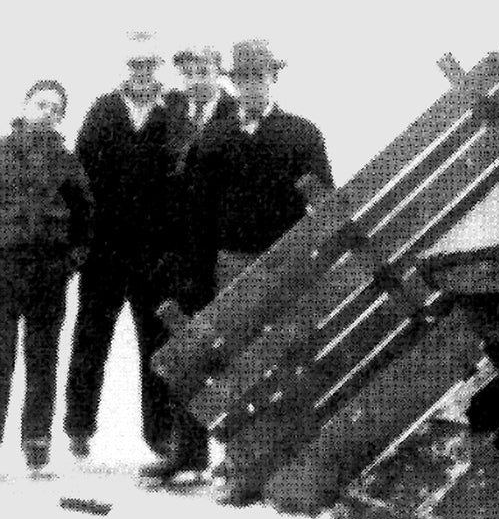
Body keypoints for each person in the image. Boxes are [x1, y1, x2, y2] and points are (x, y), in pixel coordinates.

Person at [62, 31, 195, 471]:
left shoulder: (174, 112)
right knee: (90, 338)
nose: (142, 74)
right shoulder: (102, 111)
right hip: (104, 253)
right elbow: (78, 182)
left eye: (149, 66)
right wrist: (81, 243)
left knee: (155, 343)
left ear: (158, 70)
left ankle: (159, 435)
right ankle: (79, 426)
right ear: (125, 70)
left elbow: (183, 178)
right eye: (135, 66)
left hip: (153, 256)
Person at [186, 38, 332, 293]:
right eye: (244, 78)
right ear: (234, 82)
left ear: (273, 77)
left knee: (293, 332)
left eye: (259, 76)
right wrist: (200, 275)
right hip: (233, 265)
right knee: (239, 332)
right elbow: (200, 211)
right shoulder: (213, 137)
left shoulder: (303, 133)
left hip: (290, 260)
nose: (252, 86)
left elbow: (325, 202)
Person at [0, 80, 92, 472]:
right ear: (25, 105)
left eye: (56, 109)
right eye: (42, 104)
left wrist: (68, 264)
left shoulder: (67, 161)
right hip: (4, 271)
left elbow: (85, 220)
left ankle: (37, 439)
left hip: (48, 275)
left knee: (42, 360)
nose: (48, 113)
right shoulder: (2, 153)